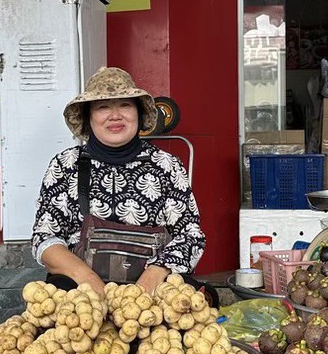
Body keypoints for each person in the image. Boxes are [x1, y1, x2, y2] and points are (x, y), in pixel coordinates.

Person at [30, 66, 212, 301]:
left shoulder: (166, 165)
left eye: (125, 105)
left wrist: (156, 273)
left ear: (139, 113)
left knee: (199, 298)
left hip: (150, 290)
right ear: (88, 117)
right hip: (82, 290)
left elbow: (190, 235)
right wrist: (87, 278)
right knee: (56, 299)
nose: (115, 115)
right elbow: (44, 238)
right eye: (102, 107)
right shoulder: (65, 165)